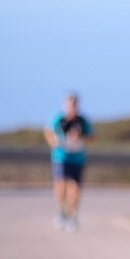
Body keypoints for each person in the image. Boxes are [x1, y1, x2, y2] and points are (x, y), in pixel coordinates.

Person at [44, 92, 93, 232]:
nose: (72, 107)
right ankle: (62, 212)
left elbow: (91, 136)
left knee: (75, 187)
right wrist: (53, 141)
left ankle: (73, 216)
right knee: (60, 185)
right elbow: (48, 130)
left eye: (74, 104)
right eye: (70, 104)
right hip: (61, 157)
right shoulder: (58, 118)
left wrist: (81, 137)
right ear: (65, 104)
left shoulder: (82, 121)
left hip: (77, 157)